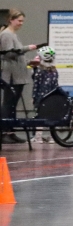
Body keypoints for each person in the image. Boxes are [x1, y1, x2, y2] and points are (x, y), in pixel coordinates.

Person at [0, 9, 38, 142]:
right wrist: (28, 48)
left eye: (23, 21)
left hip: (18, 75)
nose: (21, 23)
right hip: (11, 76)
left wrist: (29, 62)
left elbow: (16, 56)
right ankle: (4, 133)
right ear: (11, 20)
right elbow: (8, 53)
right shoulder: (7, 35)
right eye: (19, 20)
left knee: (12, 105)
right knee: (8, 104)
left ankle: (10, 131)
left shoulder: (13, 35)